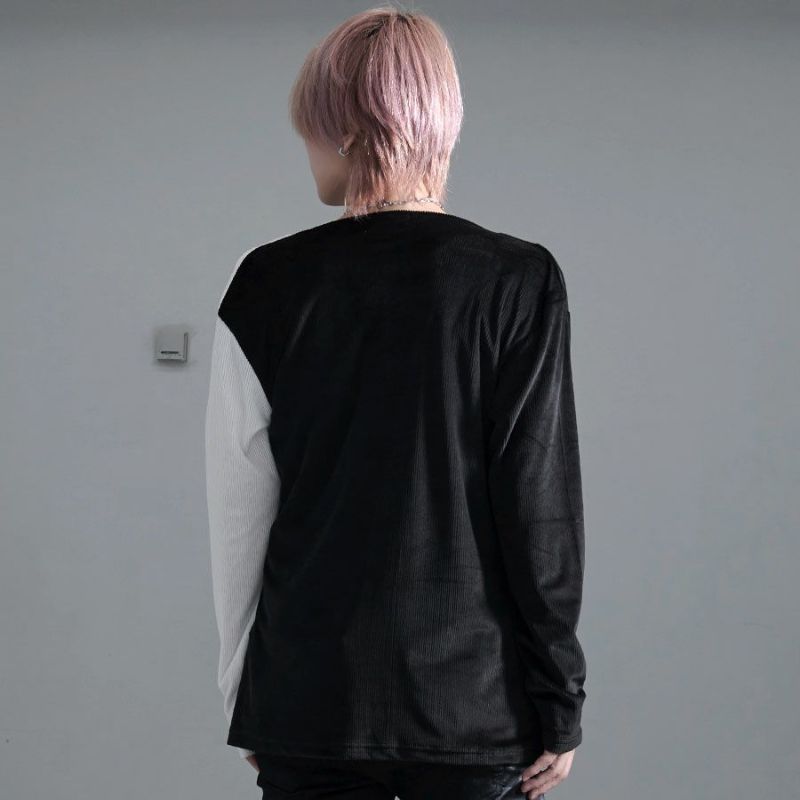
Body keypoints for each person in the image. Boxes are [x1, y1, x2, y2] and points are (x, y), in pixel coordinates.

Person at [205, 6, 587, 799]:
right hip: (475, 706)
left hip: (310, 698)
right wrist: (560, 699)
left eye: (310, 127)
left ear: (346, 130)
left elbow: (241, 508)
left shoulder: (267, 282)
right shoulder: (516, 280)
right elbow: (537, 508)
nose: (305, 147)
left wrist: (251, 695)